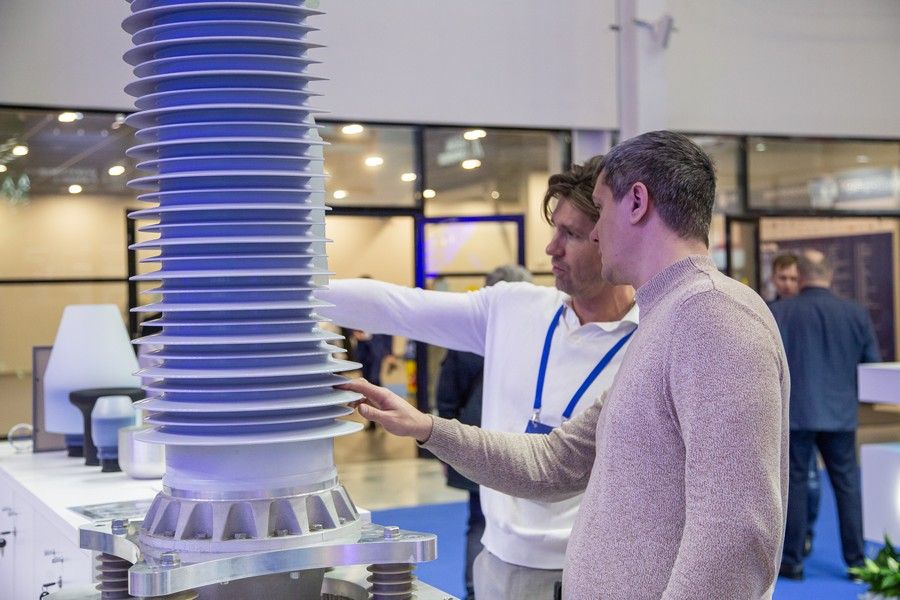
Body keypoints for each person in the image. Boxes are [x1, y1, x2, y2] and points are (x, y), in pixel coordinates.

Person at [342, 130, 790, 600]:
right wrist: (426, 428)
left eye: (600, 210)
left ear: (637, 202)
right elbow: (555, 462)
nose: (596, 233)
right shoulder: (668, 317)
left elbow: (736, 534)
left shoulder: (712, 316)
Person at [319, 155, 639, 599]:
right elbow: (399, 307)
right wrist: (296, 292)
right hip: (498, 560)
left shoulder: (652, 340)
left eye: (571, 234)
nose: (552, 249)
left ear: (613, 241)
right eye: (554, 230)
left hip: (596, 573)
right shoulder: (514, 308)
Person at [771, 249, 881, 581]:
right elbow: (871, 365)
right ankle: (857, 561)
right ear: (830, 275)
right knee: (847, 486)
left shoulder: (779, 312)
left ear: (800, 276)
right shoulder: (855, 313)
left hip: (796, 414)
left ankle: (792, 560)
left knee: (795, 484)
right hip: (840, 414)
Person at [436, 264, 532, 600]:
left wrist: (446, 448)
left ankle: (475, 591)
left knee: (478, 520)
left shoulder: (466, 341)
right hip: (521, 447)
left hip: (475, 445)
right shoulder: (535, 338)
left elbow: (447, 398)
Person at [769, 251, 819, 557]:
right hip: (773, 409)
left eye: (793, 278)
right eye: (782, 278)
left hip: (805, 410)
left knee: (808, 479)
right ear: (773, 278)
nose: (788, 284)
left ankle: (804, 536)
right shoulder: (765, 312)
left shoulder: (812, 313)